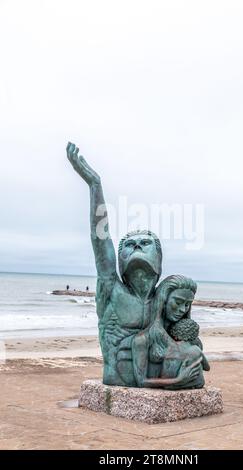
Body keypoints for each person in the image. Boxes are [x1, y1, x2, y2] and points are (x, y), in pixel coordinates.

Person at [67, 142, 162, 387]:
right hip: (118, 374)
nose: (137, 247)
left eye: (145, 243)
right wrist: (94, 185)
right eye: (129, 245)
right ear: (119, 260)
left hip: (154, 376)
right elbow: (101, 240)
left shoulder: (163, 298)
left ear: (159, 259)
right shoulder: (112, 289)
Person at [132, 275, 209, 389]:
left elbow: (202, 368)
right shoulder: (142, 340)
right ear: (163, 300)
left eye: (187, 304)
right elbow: (141, 381)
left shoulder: (190, 340)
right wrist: (178, 380)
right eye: (178, 302)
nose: (183, 309)